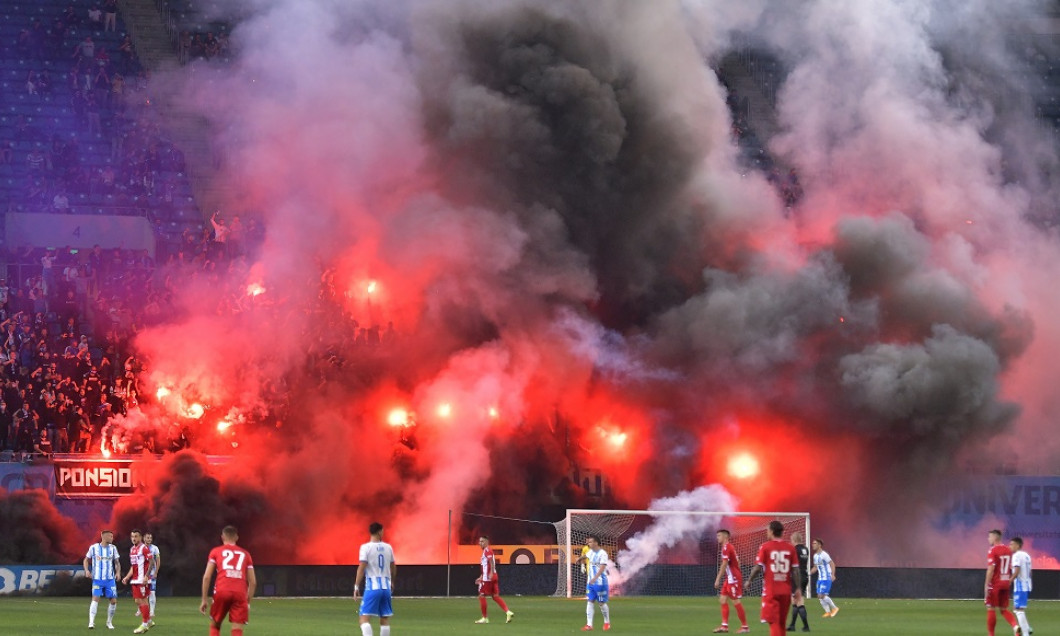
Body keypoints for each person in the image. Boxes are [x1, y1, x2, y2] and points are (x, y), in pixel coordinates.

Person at [744, 520, 801, 636]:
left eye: (767, 530)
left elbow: (758, 567)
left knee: (773, 622)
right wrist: (798, 588)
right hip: (786, 591)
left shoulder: (765, 547)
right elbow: (796, 570)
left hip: (771, 591)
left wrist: (749, 580)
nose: (767, 533)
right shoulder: (790, 548)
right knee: (781, 623)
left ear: (771, 531)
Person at [201, 525, 256, 636]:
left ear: (222, 537)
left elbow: (207, 577)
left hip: (222, 590)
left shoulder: (216, 552)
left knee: (215, 624)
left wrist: (204, 599)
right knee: (237, 628)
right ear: (236, 537)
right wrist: (247, 601)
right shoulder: (246, 554)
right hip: (240, 592)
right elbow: (253, 582)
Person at [355, 522, 396, 636]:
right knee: (384, 619)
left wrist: (356, 586)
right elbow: (393, 566)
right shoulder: (388, 547)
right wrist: (392, 581)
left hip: (373, 587)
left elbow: (362, 567)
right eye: (382, 530)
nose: (383, 532)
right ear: (379, 532)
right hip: (386, 588)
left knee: (363, 618)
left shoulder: (365, 547)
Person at [712, 529, 749, 633]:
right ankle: (724, 626)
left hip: (733, 579)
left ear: (725, 537)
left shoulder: (727, 547)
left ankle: (745, 627)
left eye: (719, 536)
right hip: (730, 578)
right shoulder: (729, 547)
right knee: (723, 600)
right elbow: (738, 562)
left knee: (735, 601)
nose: (717, 538)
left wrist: (718, 579)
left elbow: (724, 565)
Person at [83, 529, 121, 630]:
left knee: (113, 601)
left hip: (110, 580)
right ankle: (91, 622)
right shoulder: (94, 548)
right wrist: (87, 570)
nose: (112, 538)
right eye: (110, 536)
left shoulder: (113, 548)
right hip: (97, 579)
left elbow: (117, 562)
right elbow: (86, 560)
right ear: (104, 537)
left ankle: (109, 622)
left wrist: (118, 572)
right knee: (95, 599)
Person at [984, 529, 1019, 636]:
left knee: (991, 607)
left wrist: (986, 584)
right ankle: (1015, 627)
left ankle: (991, 634)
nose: (988, 539)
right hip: (1005, 582)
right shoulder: (1008, 550)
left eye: (989, 537)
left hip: (995, 583)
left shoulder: (992, 550)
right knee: (1003, 609)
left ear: (995, 537)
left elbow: (991, 569)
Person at [473, 535, 514, 624]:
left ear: (487, 542)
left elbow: (491, 562)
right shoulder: (487, 551)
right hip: (492, 576)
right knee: (495, 596)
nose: (480, 543)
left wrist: (490, 573)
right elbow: (486, 565)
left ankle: (485, 618)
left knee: (481, 595)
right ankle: (508, 612)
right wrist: (481, 576)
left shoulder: (487, 550)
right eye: (480, 541)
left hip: (488, 578)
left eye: (482, 541)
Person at [121, 529, 153, 633]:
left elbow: (151, 562)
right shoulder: (132, 550)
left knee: (142, 600)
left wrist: (146, 576)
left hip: (142, 579)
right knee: (137, 601)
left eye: (136, 536)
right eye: (132, 536)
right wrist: (127, 577)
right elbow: (133, 566)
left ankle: (144, 624)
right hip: (135, 580)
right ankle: (148, 621)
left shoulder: (144, 548)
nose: (134, 538)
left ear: (140, 537)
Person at [581, 535, 612, 631]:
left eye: (590, 542)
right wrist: (580, 560)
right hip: (590, 583)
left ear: (596, 543)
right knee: (590, 601)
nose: (588, 543)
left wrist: (595, 578)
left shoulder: (603, 553)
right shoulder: (590, 552)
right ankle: (589, 625)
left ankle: (607, 622)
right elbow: (585, 556)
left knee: (601, 603)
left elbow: (603, 567)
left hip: (600, 583)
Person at [787, 532, 811, 631]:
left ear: (794, 539)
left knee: (799, 601)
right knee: (796, 601)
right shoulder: (806, 549)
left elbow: (791, 563)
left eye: (791, 540)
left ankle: (806, 626)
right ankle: (792, 625)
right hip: (805, 576)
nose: (791, 542)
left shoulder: (794, 549)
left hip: (797, 577)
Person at [1009, 537, 1032, 636]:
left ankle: (1026, 633)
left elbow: (1017, 570)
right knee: (1017, 608)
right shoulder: (1027, 555)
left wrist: (1010, 580)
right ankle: (1027, 628)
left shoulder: (1016, 556)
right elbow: (1030, 571)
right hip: (1027, 585)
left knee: (1018, 610)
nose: (1010, 546)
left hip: (1020, 586)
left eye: (1012, 544)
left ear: (1018, 545)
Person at [809, 538, 838, 618]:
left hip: (826, 577)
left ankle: (835, 608)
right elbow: (815, 567)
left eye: (814, 543)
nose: (813, 545)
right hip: (820, 578)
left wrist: (833, 575)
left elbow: (832, 564)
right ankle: (828, 612)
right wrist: (809, 573)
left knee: (821, 595)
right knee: (819, 597)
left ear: (819, 545)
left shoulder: (824, 554)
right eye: (812, 543)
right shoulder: (815, 556)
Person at [145, 532, 161, 622]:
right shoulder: (141, 548)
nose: (149, 539)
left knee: (152, 592)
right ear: (144, 538)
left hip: (151, 573)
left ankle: (152, 611)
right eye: (147, 538)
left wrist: (156, 572)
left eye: (150, 538)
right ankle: (141, 610)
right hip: (142, 574)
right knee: (142, 593)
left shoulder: (155, 548)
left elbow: (158, 561)